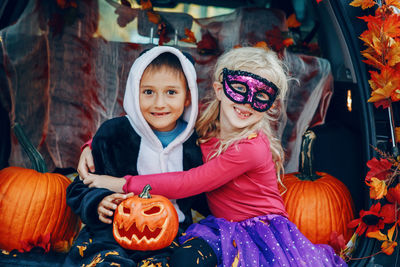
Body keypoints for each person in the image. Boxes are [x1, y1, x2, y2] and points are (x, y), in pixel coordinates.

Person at [82, 47, 347, 266]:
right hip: (220, 228)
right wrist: (91, 145)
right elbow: (152, 123)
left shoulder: (251, 148)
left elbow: (189, 182)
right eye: (239, 90)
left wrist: (122, 183)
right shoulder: (205, 123)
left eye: (261, 96)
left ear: (271, 105)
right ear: (220, 89)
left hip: (258, 232)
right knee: (185, 260)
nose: (246, 103)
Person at [64, 46, 213, 267]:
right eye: (148, 92)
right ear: (135, 93)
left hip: (171, 235)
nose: (159, 103)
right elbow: (79, 187)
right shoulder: (114, 134)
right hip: (110, 233)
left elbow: (208, 194)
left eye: (171, 92)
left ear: (188, 97)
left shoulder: (197, 143)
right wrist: (97, 202)